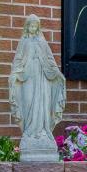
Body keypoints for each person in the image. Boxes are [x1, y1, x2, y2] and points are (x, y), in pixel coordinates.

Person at [10, 15, 65, 160]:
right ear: (27, 27)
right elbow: (18, 59)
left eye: (35, 26)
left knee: (42, 104)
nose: (33, 28)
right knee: (28, 102)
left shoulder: (42, 41)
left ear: (38, 27)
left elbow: (49, 59)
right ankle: (29, 132)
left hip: (42, 78)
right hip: (27, 77)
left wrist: (57, 73)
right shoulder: (24, 41)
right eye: (31, 26)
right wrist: (14, 73)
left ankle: (42, 131)